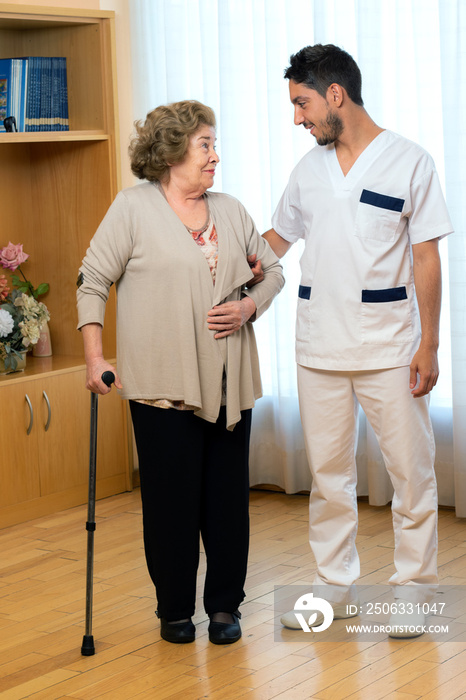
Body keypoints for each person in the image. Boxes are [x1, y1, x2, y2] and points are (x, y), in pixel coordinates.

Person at [261, 44, 453, 638]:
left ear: (335, 95)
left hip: (390, 348)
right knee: (328, 476)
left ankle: (414, 590)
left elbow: (427, 257)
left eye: (302, 103)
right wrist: (211, 266)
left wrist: (430, 345)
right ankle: (333, 589)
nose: (298, 118)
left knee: (411, 473)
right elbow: (275, 241)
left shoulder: (409, 162)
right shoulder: (308, 170)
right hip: (318, 347)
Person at [76, 100, 284, 645]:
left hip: (228, 385)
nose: (216, 155)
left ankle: (224, 607)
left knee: (226, 504)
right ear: (172, 152)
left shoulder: (232, 211)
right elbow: (92, 280)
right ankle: (173, 608)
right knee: (170, 505)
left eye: (215, 143)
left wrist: (248, 307)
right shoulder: (134, 209)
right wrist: (96, 358)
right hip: (163, 387)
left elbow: (274, 271)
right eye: (205, 144)